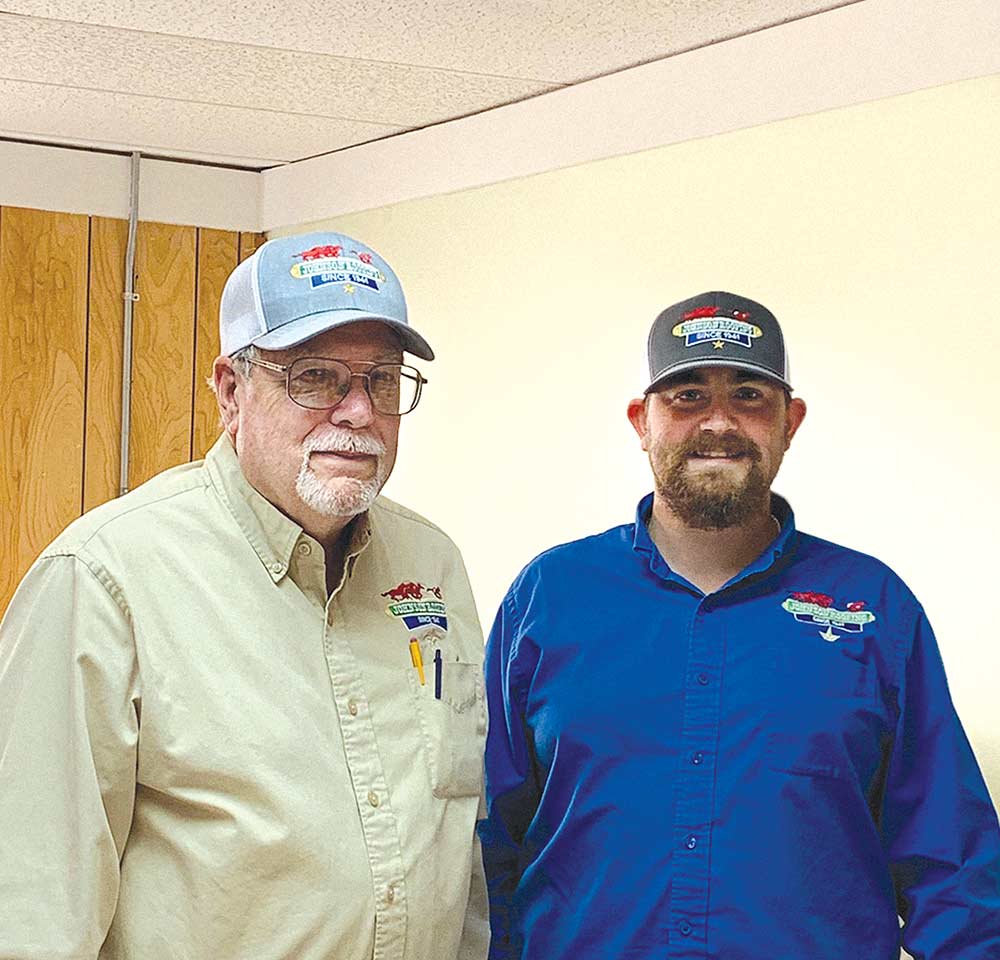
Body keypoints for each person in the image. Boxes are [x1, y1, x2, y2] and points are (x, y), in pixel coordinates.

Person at [0, 232, 489, 960]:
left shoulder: (432, 565)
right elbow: (34, 910)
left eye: (382, 380)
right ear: (232, 391)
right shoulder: (104, 578)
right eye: (317, 377)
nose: (357, 412)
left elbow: (455, 854)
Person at [479, 291, 1000, 959]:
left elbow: (951, 866)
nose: (718, 423)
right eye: (687, 396)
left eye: (750, 395)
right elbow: (484, 840)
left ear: (791, 421)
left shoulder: (875, 608)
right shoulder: (548, 596)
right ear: (642, 421)